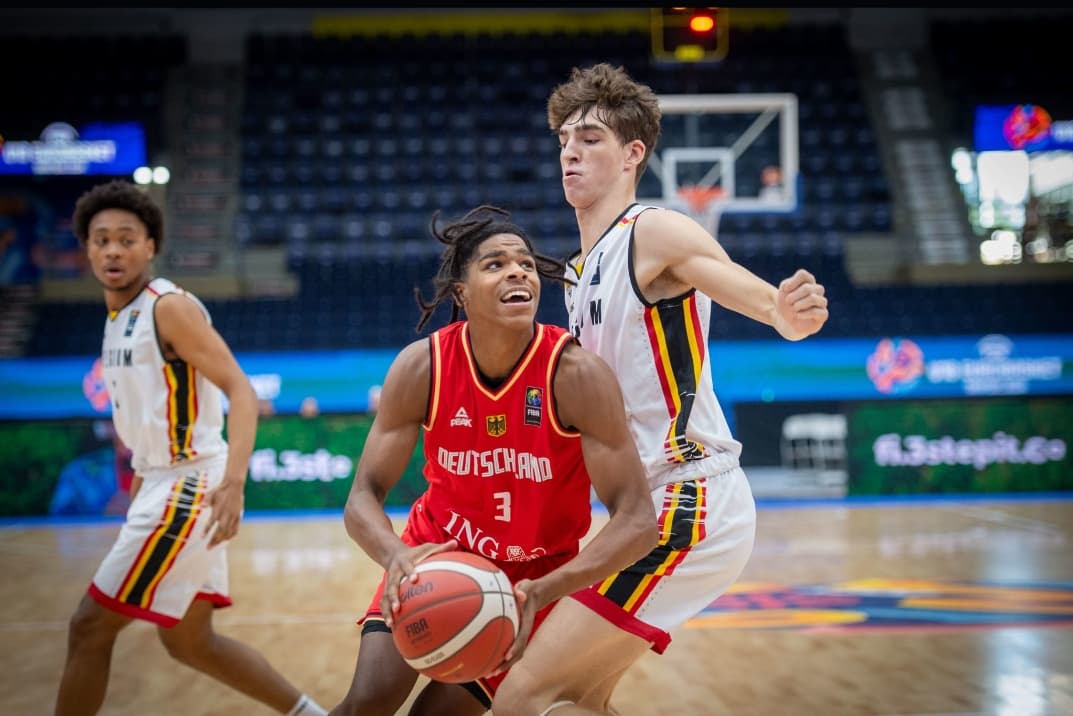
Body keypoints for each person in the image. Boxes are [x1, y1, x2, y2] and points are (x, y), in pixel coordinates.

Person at [492, 63, 830, 715]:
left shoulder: (651, 231)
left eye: (589, 138)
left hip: (688, 500)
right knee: (581, 699)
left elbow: (748, 293)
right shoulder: (573, 274)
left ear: (632, 153)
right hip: (639, 510)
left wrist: (782, 313)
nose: (570, 152)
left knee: (520, 694)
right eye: (563, 140)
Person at [329, 205, 656, 716]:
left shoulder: (575, 375)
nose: (518, 271)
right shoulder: (424, 367)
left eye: (525, 263)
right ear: (461, 291)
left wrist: (546, 590)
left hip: (532, 579)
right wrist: (394, 554)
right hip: (434, 558)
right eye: (495, 264)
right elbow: (362, 498)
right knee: (366, 702)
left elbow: (638, 522)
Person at [56, 180, 326, 716]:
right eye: (101, 239)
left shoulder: (169, 307)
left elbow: (241, 391)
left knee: (89, 626)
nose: (113, 250)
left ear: (151, 246)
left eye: (126, 239)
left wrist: (233, 483)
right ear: (86, 249)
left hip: (188, 483)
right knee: (189, 640)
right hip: (159, 481)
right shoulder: (116, 318)